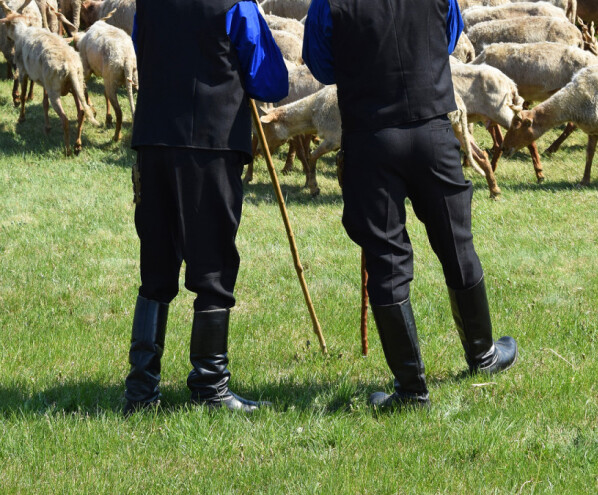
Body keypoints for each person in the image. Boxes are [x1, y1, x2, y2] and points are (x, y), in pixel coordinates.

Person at [303, 0, 518, 410]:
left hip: (371, 137)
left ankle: (412, 390)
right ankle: (483, 355)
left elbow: (322, 65)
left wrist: (362, 62)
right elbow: (449, 39)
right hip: (431, 127)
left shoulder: (328, 3)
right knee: (456, 241)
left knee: (387, 258)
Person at [123, 0, 288, 414]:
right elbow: (270, 80)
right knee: (212, 262)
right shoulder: (236, 3)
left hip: (155, 139)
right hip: (210, 144)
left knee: (156, 263)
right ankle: (210, 387)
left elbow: (146, 51)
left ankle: (142, 390)